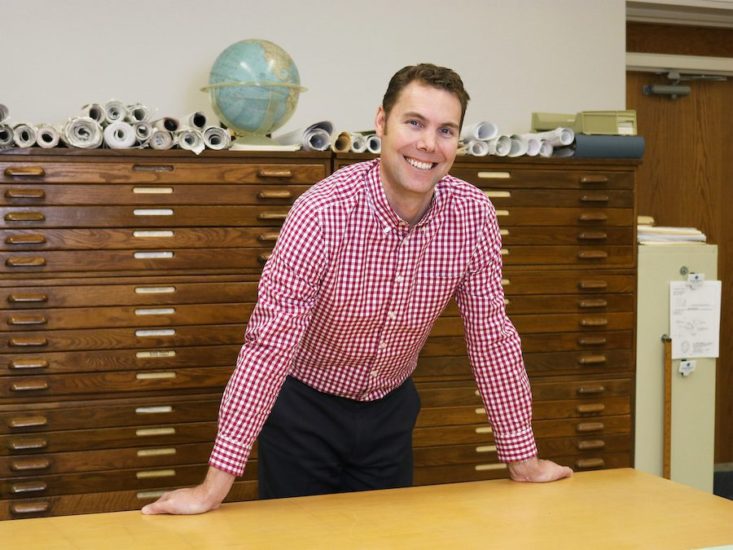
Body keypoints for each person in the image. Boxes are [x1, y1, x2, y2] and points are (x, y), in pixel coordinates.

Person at [142, 63, 572, 516]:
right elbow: (269, 346)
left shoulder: (472, 214)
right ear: (382, 123)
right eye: (414, 123)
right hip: (303, 412)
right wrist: (212, 487)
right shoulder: (322, 212)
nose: (428, 144)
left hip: (390, 412)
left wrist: (522, 460)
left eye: (446, 130)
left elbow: (491, 336)